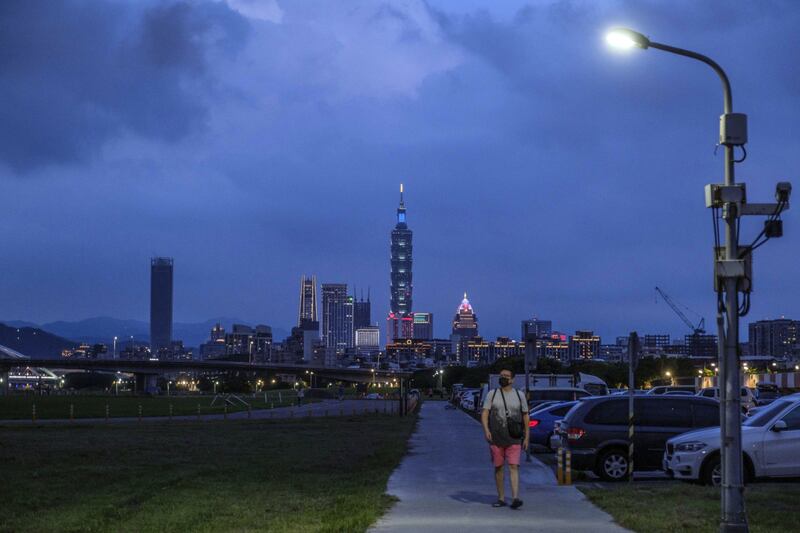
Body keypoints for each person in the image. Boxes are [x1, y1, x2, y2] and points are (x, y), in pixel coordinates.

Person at [481, 367, 529, 510]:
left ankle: (515, 498)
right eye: (501, 375)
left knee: (514, 466)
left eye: (506, 376)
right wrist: (486, 430)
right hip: (496, 437)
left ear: (512, 380)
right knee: (499, 468)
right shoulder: (492, 394)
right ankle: (501, 498)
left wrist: (527, 437)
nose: (503, 378)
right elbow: (485, 413)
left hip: (514, 437)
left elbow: (526, 416)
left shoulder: (520, 395)